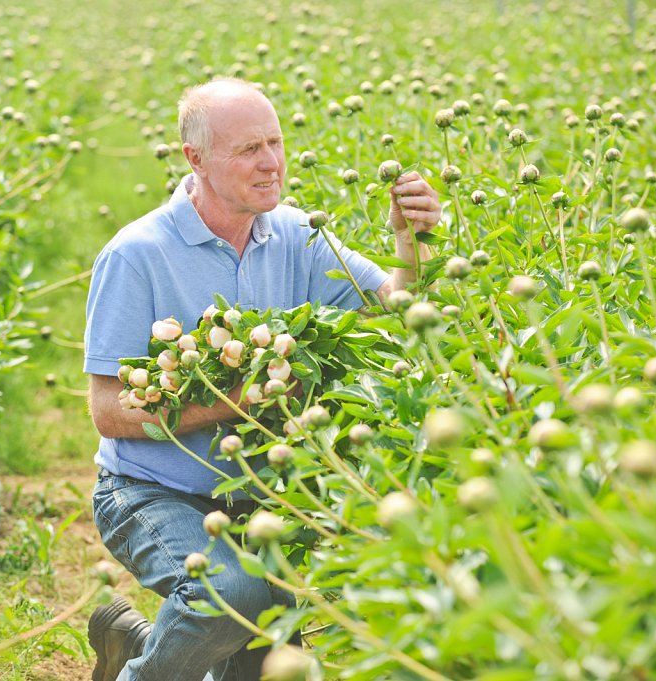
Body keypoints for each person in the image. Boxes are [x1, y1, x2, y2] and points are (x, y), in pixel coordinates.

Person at [83, 77, 441, 681]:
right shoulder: (136, 253)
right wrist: (240, 399)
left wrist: (412, 241)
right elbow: (109, 411)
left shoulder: (298, 235)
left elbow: (397, 304)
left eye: (274, 142)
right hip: (151, 490)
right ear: (195, 159)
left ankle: (134, 641)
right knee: (230, 598)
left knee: (271, 665)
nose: (271, 162)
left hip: (265, 498)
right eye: (248, 149)